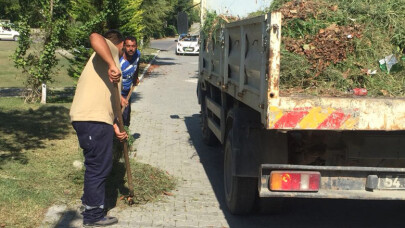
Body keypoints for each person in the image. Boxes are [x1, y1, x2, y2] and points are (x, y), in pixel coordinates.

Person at [70, 29, 128, 227]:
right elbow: (95, 36)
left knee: (95, 164)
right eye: (123, 50)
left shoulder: (103, 68)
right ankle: (93, 215)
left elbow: (105, 104)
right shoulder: (111, 52)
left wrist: (115, 127)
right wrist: (113, 63)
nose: (122, 55)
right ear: (119, 44)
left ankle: (89, 205)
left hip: (94, 119)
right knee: (99, 167)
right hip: (91, 119)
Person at [120, 35, 141, 126]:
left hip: (128, 92)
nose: (131, 49)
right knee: (117, 118)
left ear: (136, 46)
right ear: (124, 46)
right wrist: (119, 98)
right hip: (117, 94)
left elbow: (137, 65)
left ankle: (125, 135)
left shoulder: (137, 54)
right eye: (128, 46)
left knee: (126, 117)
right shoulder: (119, 62)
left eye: (133, 46)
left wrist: (135, 77)